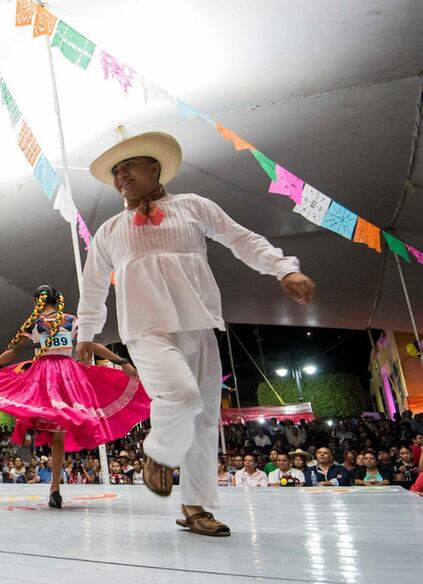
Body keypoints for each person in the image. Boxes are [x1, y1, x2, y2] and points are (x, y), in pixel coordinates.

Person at [77, 132, 316, 536]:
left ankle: (195, 507)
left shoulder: (193, 206)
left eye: (129, 166)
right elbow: (94, 285)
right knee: (181, 396)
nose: (121, 175)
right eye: (116, 172)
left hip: (199, 324)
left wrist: (283, 267)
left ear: (155, 168)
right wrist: (86, 332)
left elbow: (241, 238)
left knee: (205, 419)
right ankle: (157, 453)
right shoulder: (110, 230)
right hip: (146, 330)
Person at [0, 285, 148, 509]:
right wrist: (123, 362)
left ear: (37, 302)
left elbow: (13, 351)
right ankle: (55, 488)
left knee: (41, 420)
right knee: (58, 436)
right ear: (57, 299)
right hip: (68, 378)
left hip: (43, 378)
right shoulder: (70, 320)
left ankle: (51, 482)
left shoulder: (34, 324)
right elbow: (92, 345)